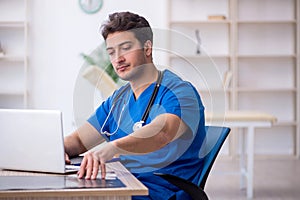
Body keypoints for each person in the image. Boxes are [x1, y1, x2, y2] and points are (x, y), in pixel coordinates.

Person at [64, 11, 206, 200]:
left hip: (161, 192)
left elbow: (163, 132)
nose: (117, 59)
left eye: (125, 48)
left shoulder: (180, 91)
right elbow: (80, 141)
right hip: (123, 183)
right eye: (112, 52)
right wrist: (56, 149)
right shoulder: (119, 100)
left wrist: (113, 147)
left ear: (147, 48)